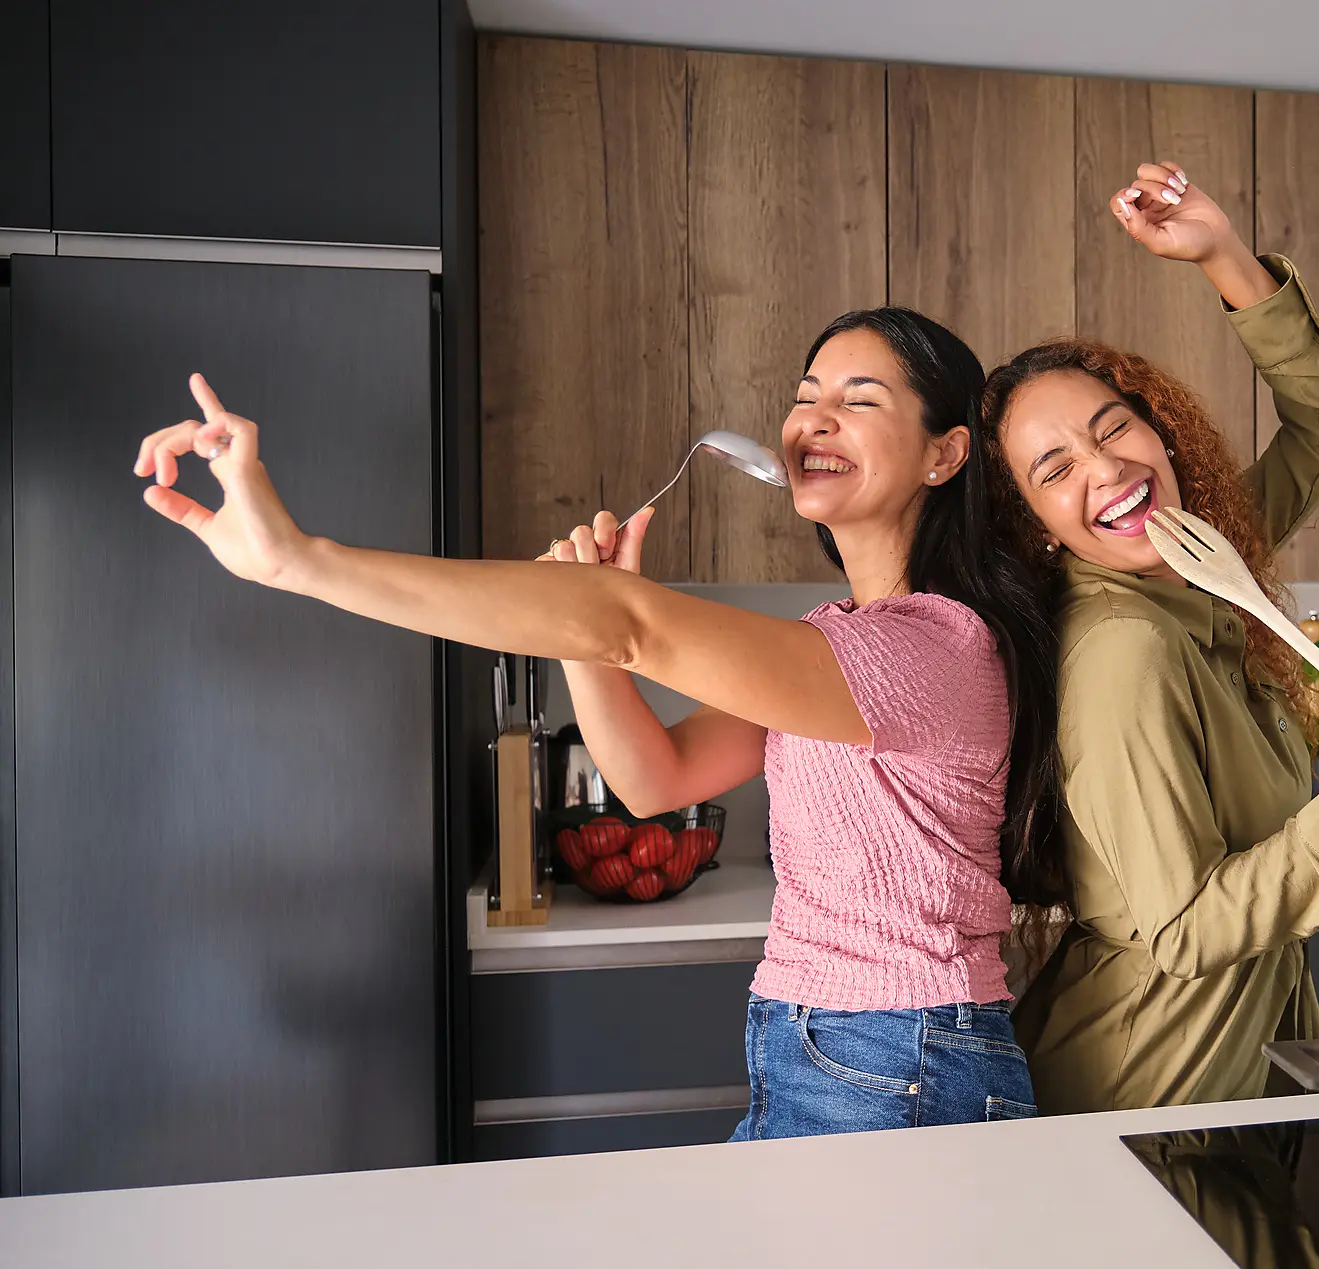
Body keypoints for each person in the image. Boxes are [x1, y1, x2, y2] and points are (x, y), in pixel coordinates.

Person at [133, 307, 1060, 1139]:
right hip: (828, 1046)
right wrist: (585, 635)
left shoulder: (933, 644)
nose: (811, 418)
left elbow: (630, 626)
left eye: (859, 400)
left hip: (900, 1059)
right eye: (805, 394)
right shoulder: (833, 643)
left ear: (945, 453)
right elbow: (655, 777)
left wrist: (301, 560)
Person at [978, 162, 1319, 1114]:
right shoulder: (1120, 648)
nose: (1106, 471)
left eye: (1117, 429)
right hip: (1153, 1094)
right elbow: (1183, 928)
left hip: (1233, 1071)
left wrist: (1224, 255)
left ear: (1163, 429)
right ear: (1033, 525)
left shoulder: (1202, 554)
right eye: (1056, 469)